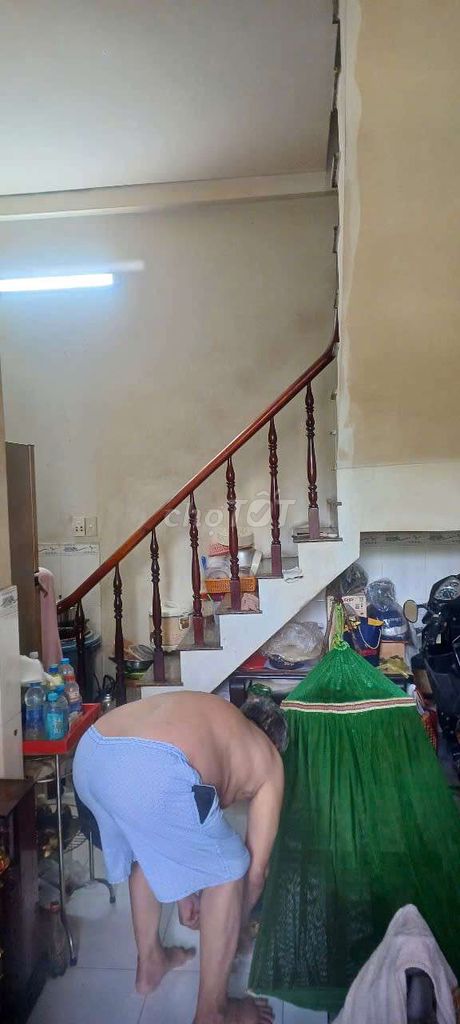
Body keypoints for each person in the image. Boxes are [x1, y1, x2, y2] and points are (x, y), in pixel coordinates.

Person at [73, 690, 288, 1024]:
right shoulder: (269, 758)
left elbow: (166, 828)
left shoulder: (220, 720)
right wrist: (234, 925)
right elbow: (256, 873)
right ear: (274, 742)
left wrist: (186, 890)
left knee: (143, 846)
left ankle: (150, 963)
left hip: (91, 753)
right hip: (150, 767)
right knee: (231, 868)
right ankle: (214, 1013)